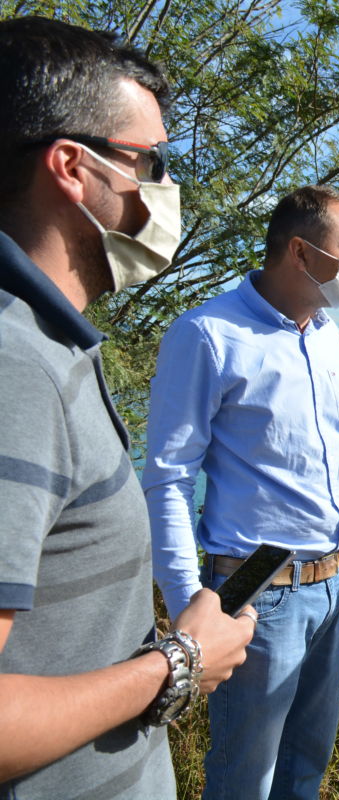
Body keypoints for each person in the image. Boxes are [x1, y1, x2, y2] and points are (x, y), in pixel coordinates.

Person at [0, 16, 256, 798]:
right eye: (148, 161)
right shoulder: (16, 371)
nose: (164, 189)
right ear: (72, 168)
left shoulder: (50, 346)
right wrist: (176, 665)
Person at [143, 184, 339, 799]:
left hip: (333, 586)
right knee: (246, 776)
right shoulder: (208, 335)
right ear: (302, 254)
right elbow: (169, 475)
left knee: (306, 767)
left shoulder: (326, 333)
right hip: (255, 586)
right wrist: (186, 598)